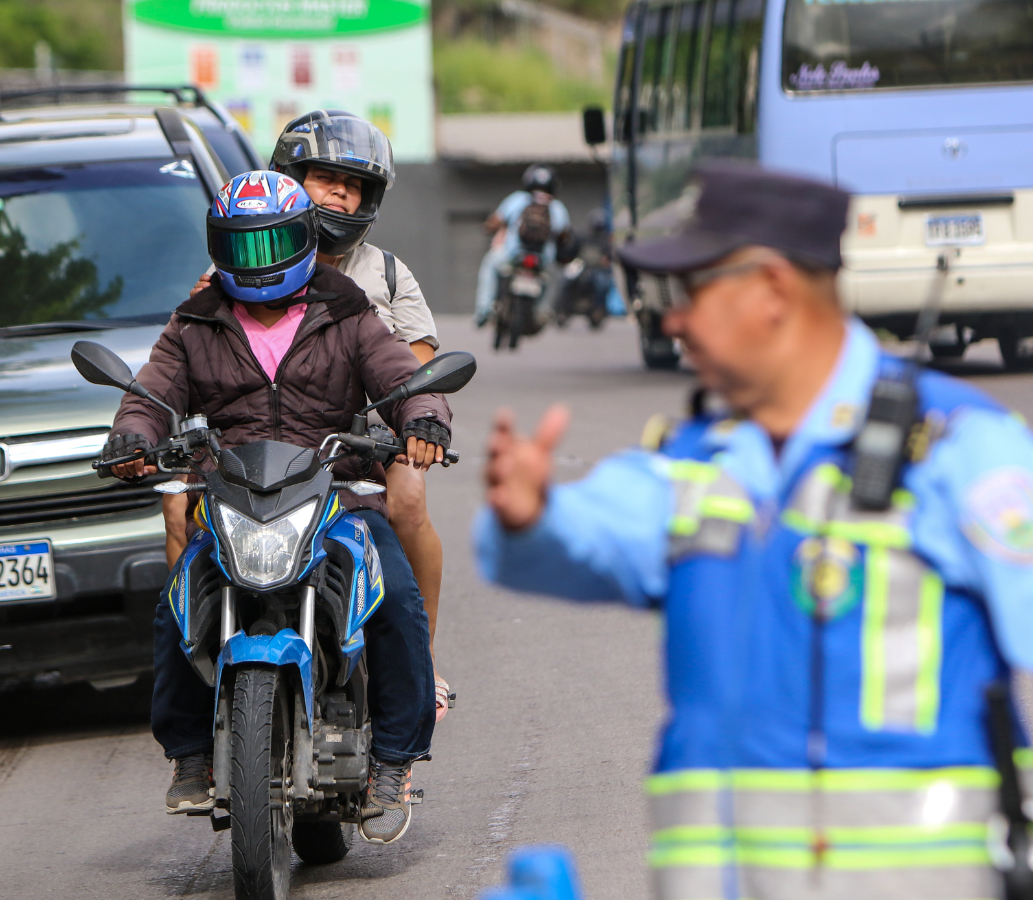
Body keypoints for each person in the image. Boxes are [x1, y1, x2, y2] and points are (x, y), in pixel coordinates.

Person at [475, 160, 1033, 899]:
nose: (670, 318)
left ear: (770, 291)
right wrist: (532, 513)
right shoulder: (697, 460)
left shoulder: (959, 447)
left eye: (692, 290)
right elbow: (574, 538)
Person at [105, 169, 451, 845]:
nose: (258, 262)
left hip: (337, 493)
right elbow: (150, 394)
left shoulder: (348, 311)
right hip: (231, 494)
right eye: (242, 247)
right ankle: (191, 754)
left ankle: (393, 761)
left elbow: (403, 378)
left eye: (274, 245)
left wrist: (425, 417)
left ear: (303, 241)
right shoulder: (194, 322)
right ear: (218, 247)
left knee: (396, 596)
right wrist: (131, 438)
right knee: (181, 596)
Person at [183, 109, 455, 721]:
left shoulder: (384, 273)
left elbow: (415, 367)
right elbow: (190, 363)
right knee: (180, 507)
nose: (341, 192)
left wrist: (409, 420)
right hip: (259, 447)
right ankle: (201, 656)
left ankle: (419, 661)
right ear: (286, 178)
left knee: (406, 500)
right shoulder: (230, 271)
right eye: (326, 176)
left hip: (362, 436)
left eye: (355, 184)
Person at [474, 164, 571, 327]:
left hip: (513, 255)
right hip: (543, 261)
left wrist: (490, 228)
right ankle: (543, 312)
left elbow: (494, 222)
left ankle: (484, 310)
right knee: (554, 278)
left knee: (489, 264)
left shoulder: (517, 199)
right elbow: (564, 237)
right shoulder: (558, 207)